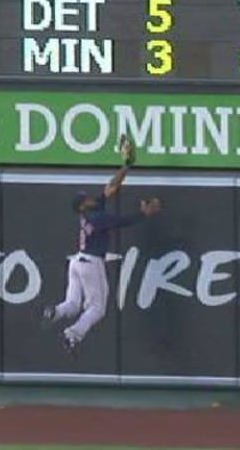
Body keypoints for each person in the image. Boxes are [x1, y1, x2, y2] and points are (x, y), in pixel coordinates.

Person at [41, 137, 159, 355]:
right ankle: (71, 334)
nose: (89, 197)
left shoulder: (90, 211)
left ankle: (55, 312)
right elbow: (122, 222)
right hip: (91, 262)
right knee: (97, 309)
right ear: (82, 206)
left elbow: (111, 187)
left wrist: (126, 166)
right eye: (84, 198)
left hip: (77, 261)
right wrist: (144, 213)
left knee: (72, 304)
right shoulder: (96, 217)